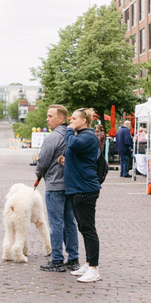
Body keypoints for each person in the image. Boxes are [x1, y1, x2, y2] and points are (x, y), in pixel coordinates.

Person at [35, 104, 79, 273]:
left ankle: (57, 259)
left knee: (56, 224)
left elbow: (43, 161)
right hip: (71, 185)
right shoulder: (73, 136)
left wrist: (38, 172)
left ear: (61, 119)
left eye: (50, 116)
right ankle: (73, 258)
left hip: (55, 185)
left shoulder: (53, 137)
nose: (47, 119)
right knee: (70, 223)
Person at [64, 108, 102, 283]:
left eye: (74, 119)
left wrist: (69, 131)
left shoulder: (87, 136)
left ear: (84, 120)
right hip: (77, 188)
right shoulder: (81, 136)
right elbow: (78, 155)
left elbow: (73, 145)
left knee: (88, 228)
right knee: (83, 227)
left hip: (85, 189)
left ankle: (94, 268)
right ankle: (88, 264)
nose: (71, 121)